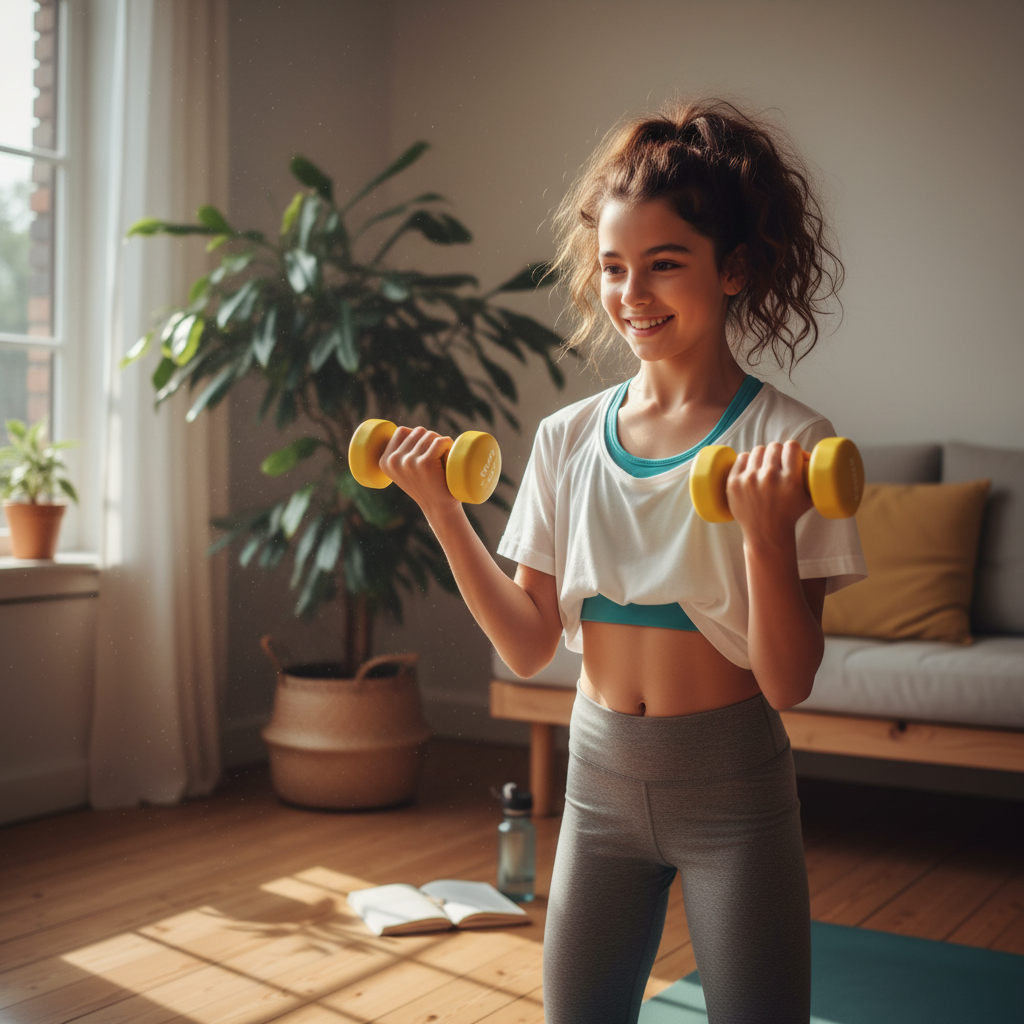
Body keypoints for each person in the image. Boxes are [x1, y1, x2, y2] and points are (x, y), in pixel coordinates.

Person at [378, 100, 867, 1024]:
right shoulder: (567, 439)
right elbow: (528, 646)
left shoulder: (789, 442)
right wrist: (443, 509)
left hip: (733, 790)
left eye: (663, 265)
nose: (631, 293)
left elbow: (790, 681)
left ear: (736, 269)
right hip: (597, 781)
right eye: (612, 268)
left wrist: (766, 531)